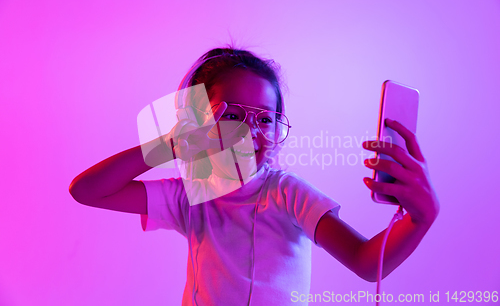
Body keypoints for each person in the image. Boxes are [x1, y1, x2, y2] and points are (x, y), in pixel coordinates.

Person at [69, 47, 440, 306]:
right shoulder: (190, 195)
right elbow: (87, 191)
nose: (248, 132)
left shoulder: (288, 193)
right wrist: (170, 146)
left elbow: (364, 261)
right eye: (230, 115)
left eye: (264, 119)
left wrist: (420, 219)